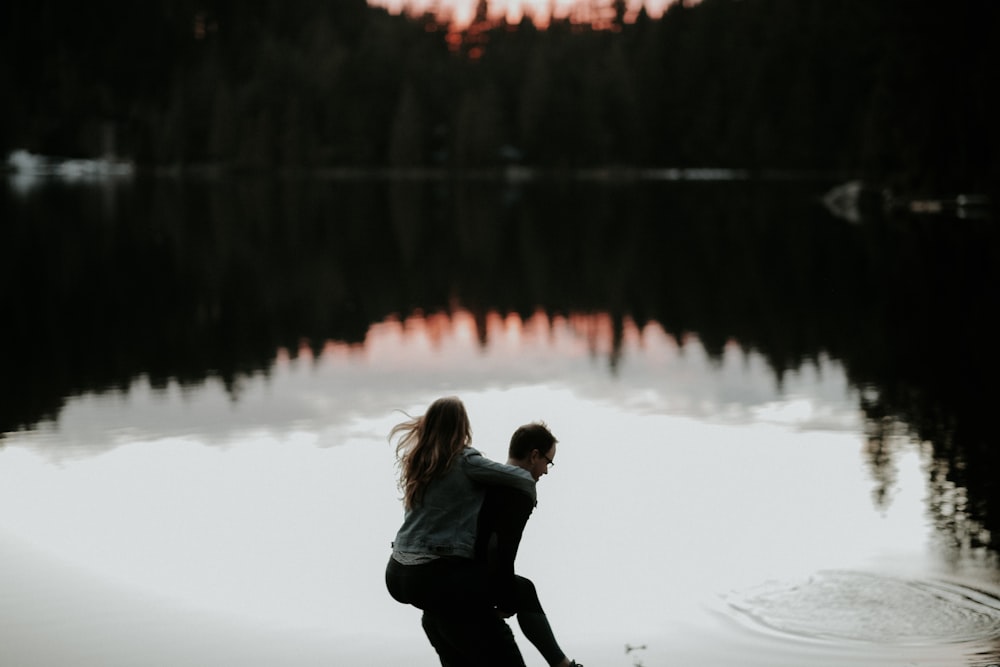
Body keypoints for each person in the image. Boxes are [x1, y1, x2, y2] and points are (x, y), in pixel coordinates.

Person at [384, 396, 536, 666]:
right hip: (433, 573)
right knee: (519, 592)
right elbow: (520, 478)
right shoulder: (464, 460)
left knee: (443, 620)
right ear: (462, 427)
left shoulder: (418, 462)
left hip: (397, 572)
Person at [423, 421, 583, 667]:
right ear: (534, 455)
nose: (547, 471)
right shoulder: (518, 491)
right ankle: (562, 665)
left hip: (436, 605)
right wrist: (505, 601)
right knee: (523, 590)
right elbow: (499, 549)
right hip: (468, 600)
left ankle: (562, 665)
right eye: (548, 462)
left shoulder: (483, 480)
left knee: (524, 588)